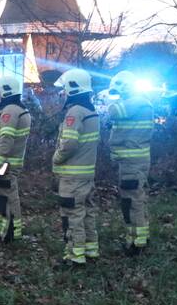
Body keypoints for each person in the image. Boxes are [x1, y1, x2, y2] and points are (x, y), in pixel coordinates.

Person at [52, 68, 101, 267]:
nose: (62, 93)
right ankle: (91, 250)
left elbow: (69, 144)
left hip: (72, 176)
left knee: (72, 215)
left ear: (72, 88)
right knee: (86, 212)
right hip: (86, 173)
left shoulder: (75, 112)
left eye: (64, 89)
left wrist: (56, 158)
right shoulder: (91, 111)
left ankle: (75, 256)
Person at [107, 70, 155, 256]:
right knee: (138, 198)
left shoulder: (136, 102)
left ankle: (137, 242)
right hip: (133, 160)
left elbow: (112, 111)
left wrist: (107, 98)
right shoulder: (139, 103)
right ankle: (142, 236)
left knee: (131, 201)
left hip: (131, 161)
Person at [0, 75, 32, 243]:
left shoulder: (11, 111)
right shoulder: (14, 109)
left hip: (5, 164)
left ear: (6, 91)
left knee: (7, 196)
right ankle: (0, 228)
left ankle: (11, 233)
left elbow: (6, 140)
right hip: (3, 163)